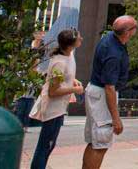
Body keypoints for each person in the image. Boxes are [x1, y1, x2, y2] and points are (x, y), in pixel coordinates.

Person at [83, 15, 137, 169]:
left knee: (94, 142)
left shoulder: (111, 38)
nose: (135, 31)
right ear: (127, 32)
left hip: (96, 91)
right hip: (102, 95)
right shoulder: (113, 53)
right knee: (100, 144)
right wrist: (116, 118)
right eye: (134, 28)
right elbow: (109, 87)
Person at [29, 29, 84, 169]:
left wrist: (73, 80)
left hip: (59, 108)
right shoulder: (59, 62)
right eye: (79, 38)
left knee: (49, 144)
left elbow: (62, 78)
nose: (81, 39)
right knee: (45, 145)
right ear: (71, 44)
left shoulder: (68, 55)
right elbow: (53, 91)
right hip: (53, 110)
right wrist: (74, 89)